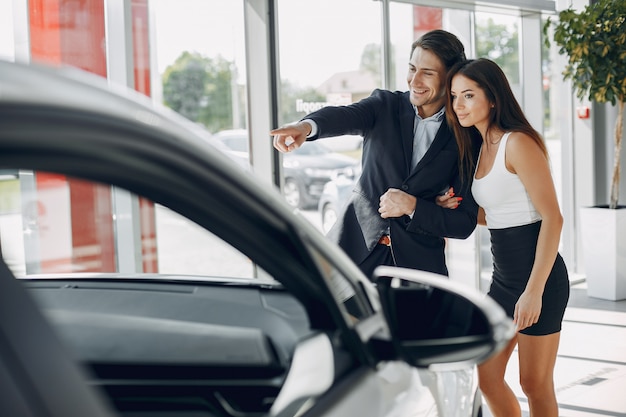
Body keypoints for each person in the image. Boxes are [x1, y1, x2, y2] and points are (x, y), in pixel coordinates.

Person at [271, 29, 480, 280]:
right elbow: (345, 115)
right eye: (412, 69)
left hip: (418, 267)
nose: (414, 81)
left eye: (427, 73)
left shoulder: (465, 135)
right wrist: (307, 127)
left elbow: (463, 223)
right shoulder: (385, 105)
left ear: (450, 77)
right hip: (352, 252)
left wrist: (415, 207)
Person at [438, 58, 570, 417]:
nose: (458, 105)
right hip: (503, 282)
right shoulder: (479, 148)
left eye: (468, 95)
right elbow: (497, 215)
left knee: (535, 384)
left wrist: (533, 292)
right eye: (454, 97)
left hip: (539, 282)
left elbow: (552, 217)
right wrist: (454, 208)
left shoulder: (518, 143)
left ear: (492, 97)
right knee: (488, 376)